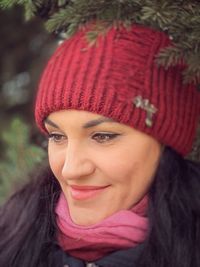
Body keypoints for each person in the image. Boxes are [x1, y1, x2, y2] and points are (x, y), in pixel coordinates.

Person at [0, 22, 200, 267]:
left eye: (102, 136)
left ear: (166, 141)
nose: (71, 169)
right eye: (57, 136)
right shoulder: (10, 242)